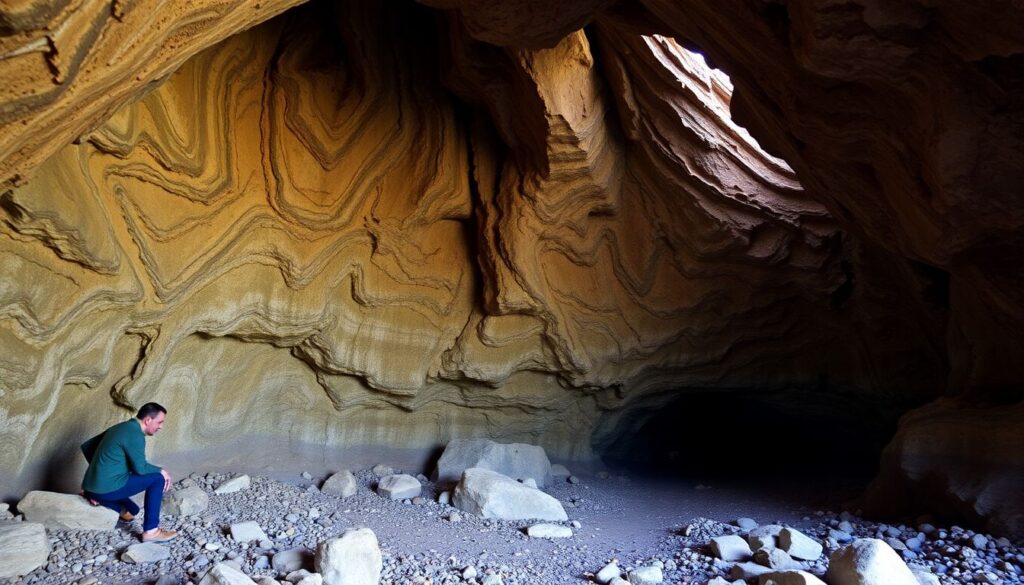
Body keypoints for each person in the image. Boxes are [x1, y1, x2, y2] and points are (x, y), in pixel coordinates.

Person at [80, 402, 177, 542]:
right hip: (104, 489)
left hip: (90, 488)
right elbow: (141, 468)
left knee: (133, 511)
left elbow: (88, 448)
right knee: (157, 479)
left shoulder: (121, 427)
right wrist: (162, 472)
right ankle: (151, 531)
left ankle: (96, 497)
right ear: (148, 420)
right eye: (160, 422)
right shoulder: (134, 434)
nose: (161, 426)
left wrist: (99, 478)